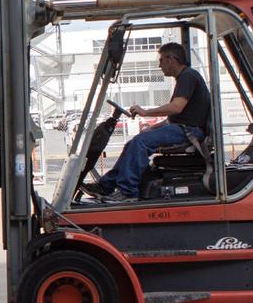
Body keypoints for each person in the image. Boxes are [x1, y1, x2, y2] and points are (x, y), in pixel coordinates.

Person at [84, 42, 211, 203]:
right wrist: (152, 127)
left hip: (189, 132)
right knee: (133, 143)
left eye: (161, 60)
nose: (160, 65)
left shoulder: (188, 77)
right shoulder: (185, 77)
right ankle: (106, 186)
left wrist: (145, 113)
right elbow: (174, 117)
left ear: (172, 59)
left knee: (140, 143)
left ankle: (128, 192)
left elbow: (176, 108)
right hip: (182, 128)